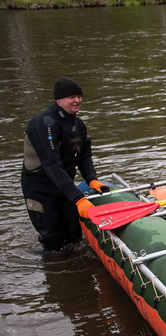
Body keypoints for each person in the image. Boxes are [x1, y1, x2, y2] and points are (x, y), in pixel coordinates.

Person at [21, 77, 110, 251]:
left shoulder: (78, 125)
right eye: (71, 97)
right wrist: (78, 198)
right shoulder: (43, 123)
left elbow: (83, 156)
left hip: (63, 188)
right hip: (40, 189)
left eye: (79, 96)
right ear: (58, 99)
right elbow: (51, 165)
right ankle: (51, 271)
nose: (77, 100)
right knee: (53, 240)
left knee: (73, 234)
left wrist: (92, 180)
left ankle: (75, 271)